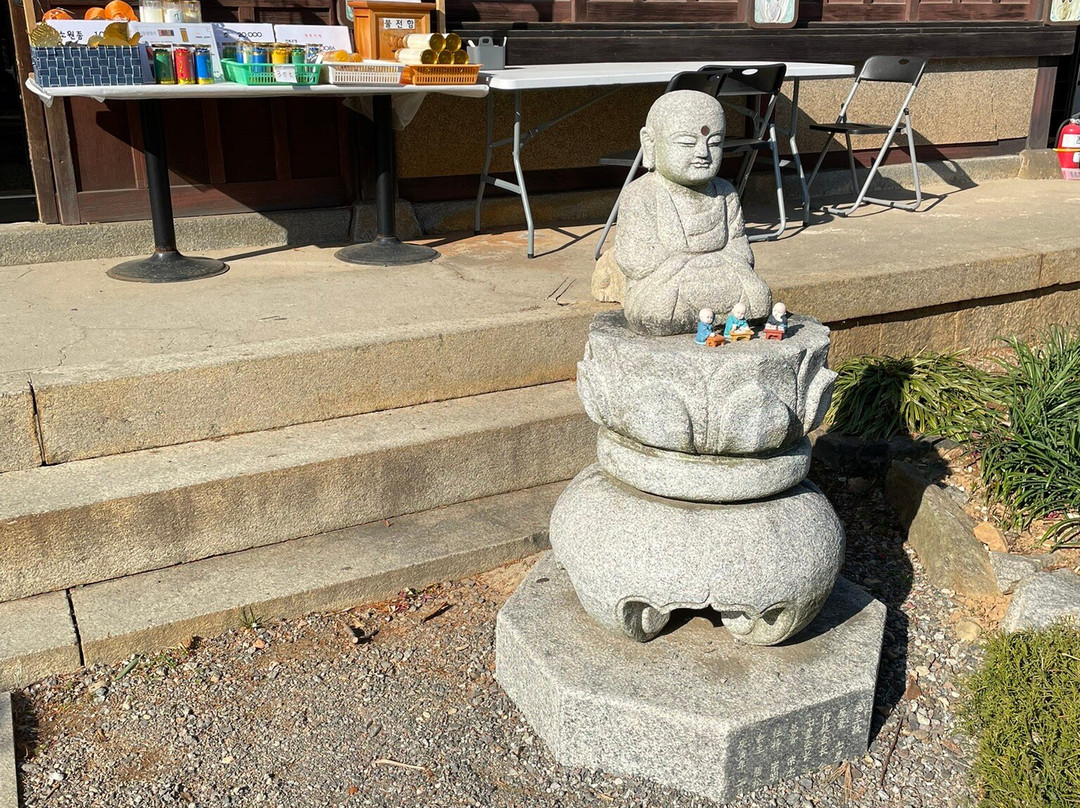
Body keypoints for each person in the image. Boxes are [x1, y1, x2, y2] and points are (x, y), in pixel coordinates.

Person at [613, 91, 772, 337]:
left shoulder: (725, 191)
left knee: (760, 299)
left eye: (715, 142)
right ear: (650, 143)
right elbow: (635, 260)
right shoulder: (641, 194)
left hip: (721, 277)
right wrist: (687, 265)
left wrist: (717, 263)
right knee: (656, 313)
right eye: (687, 142)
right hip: (669, 283)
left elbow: (740, 249)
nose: (703, 153)